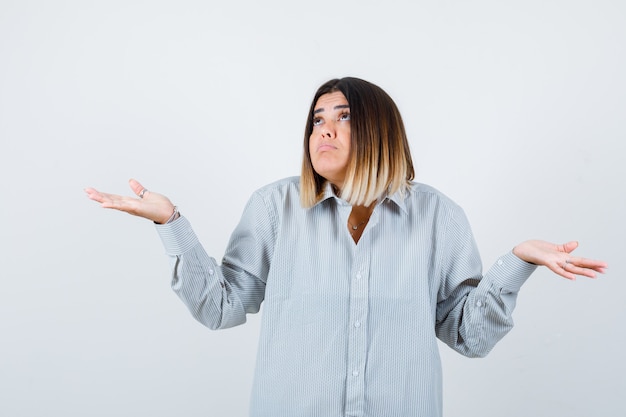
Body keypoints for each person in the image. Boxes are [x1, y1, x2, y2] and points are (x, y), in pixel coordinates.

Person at [85, 77, 607, 417]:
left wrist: (516, 262)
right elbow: (221, 307)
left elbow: (468, 335)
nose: (324, 130)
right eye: (317, 119)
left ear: (379, 128)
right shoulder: (273, 208)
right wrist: (170, 222)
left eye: (342, 117)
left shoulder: (437, 217)